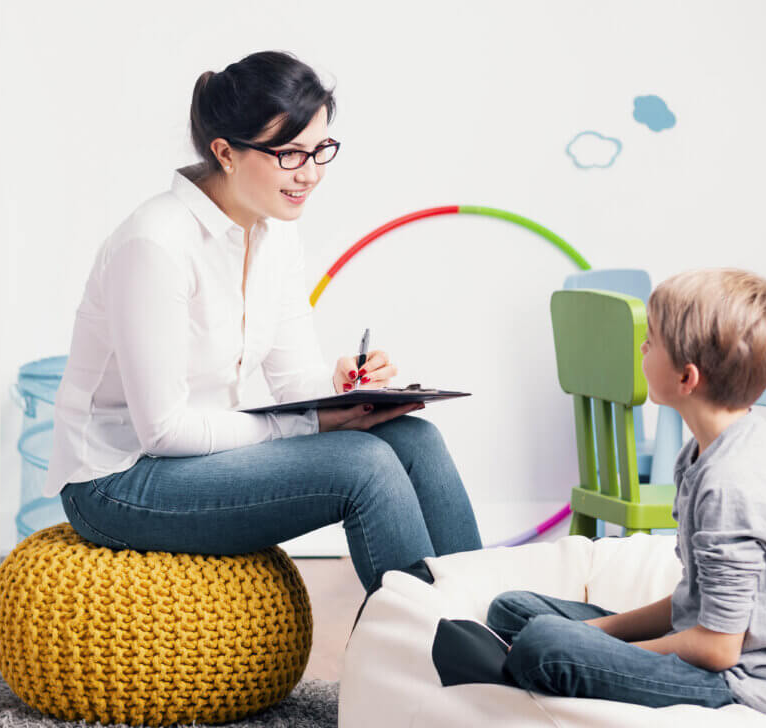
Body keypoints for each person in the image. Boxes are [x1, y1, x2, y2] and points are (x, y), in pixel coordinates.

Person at [43, 51, 482, 591]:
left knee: (415, 438)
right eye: (290, 154)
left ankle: (488, 623)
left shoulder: (275, 233)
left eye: (321, 149)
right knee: (364, 465)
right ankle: (425, 650)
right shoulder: (155, 243)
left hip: (205, 454)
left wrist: (344, 389)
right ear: (225, 152)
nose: (312, 173)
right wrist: (316, 422)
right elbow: (163, 430)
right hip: (119, 481)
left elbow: (296, 382)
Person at [487, 268, 766, 714]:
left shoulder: (733, 484)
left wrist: (601, 645)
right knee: (511, 609)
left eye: (651, 341)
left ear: (686, 378)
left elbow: (719, 648)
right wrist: (601, 632)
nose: (642, 348)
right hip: (706, 642)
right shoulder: (705, 450)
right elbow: (692, 599)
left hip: (744, 682)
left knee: (542, 645)